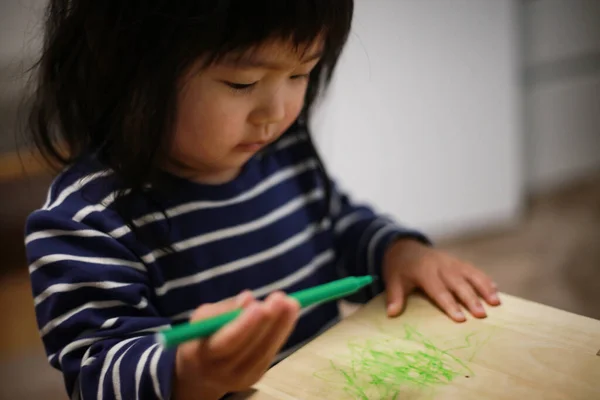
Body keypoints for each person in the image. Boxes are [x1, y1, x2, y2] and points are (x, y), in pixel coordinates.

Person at [23, 1, 501, 399]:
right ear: (130, 68)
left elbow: (336, 226)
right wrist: (191, 370)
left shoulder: (283, 154)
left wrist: (399, 253)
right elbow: (97, 371)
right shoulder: (87, 220)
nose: (276, 114)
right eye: (243, 84)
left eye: (301, 75)